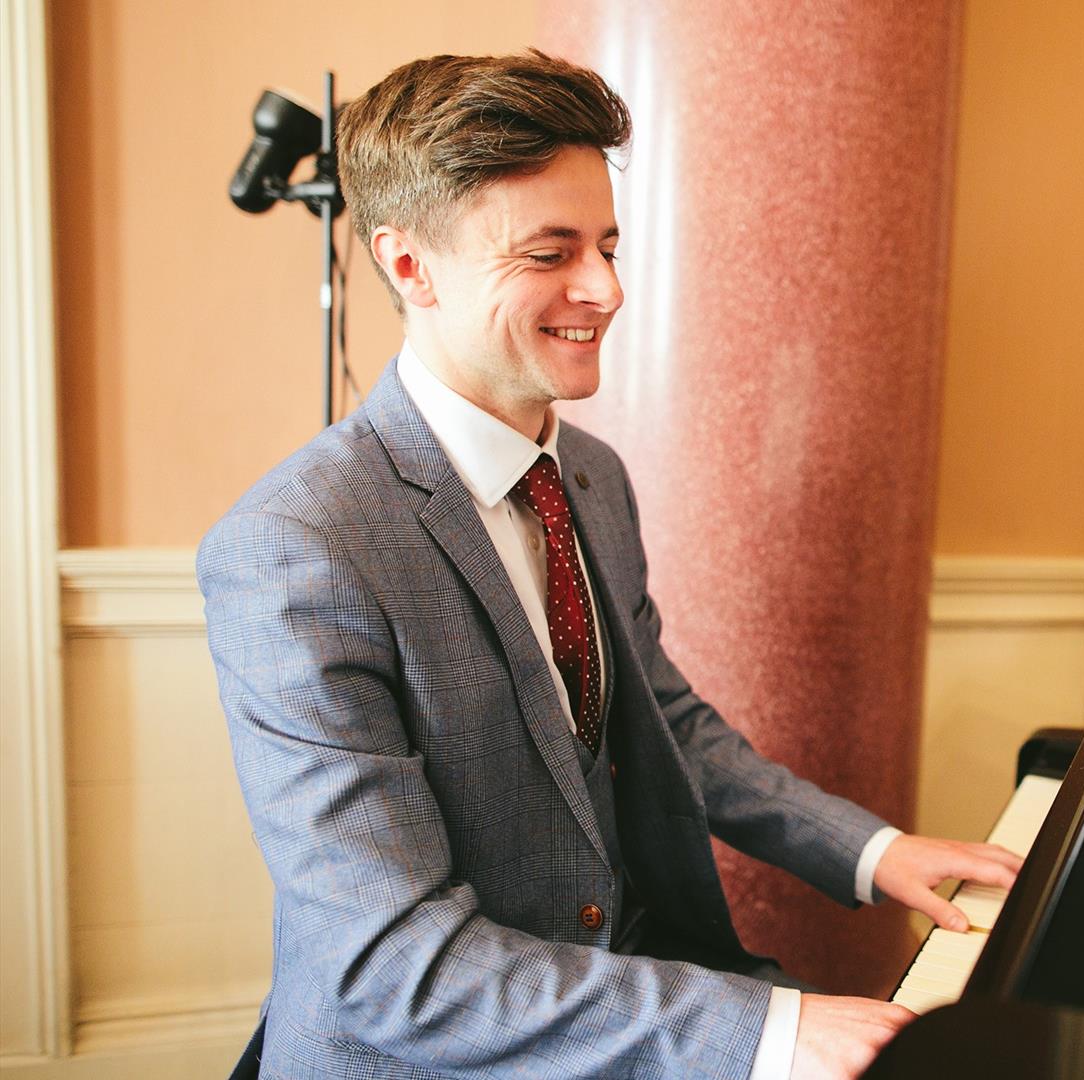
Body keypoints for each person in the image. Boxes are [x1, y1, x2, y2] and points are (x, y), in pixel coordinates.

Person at [199, 50, 1017, 1080]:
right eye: (551, 253)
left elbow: (661, 721)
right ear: (410, 266)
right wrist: (767, 1032)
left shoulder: (587, 474)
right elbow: (395, 969)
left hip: (623, 997)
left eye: (609, 245)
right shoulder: (296, 547)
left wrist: (868, 850)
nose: (609, 289)